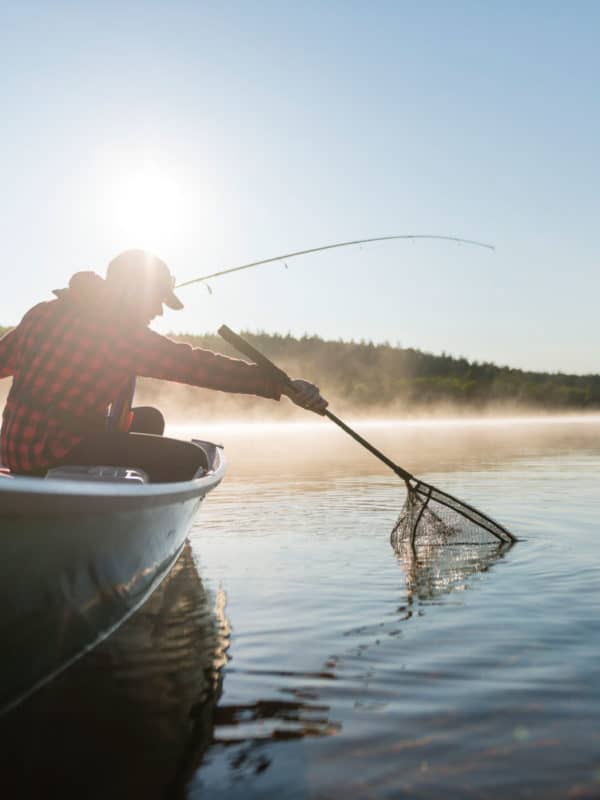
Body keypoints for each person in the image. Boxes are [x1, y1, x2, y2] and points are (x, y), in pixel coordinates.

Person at [0, 249, 327, 481]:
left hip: (13, 448)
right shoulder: (122, 335)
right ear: (131, 292)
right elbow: (197, 366)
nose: (158, 311)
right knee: (192, 460)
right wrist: (280, 384)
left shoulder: (42, 313)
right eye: (156, 299)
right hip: (54, 452)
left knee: (149, 418)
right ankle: (121, 526)